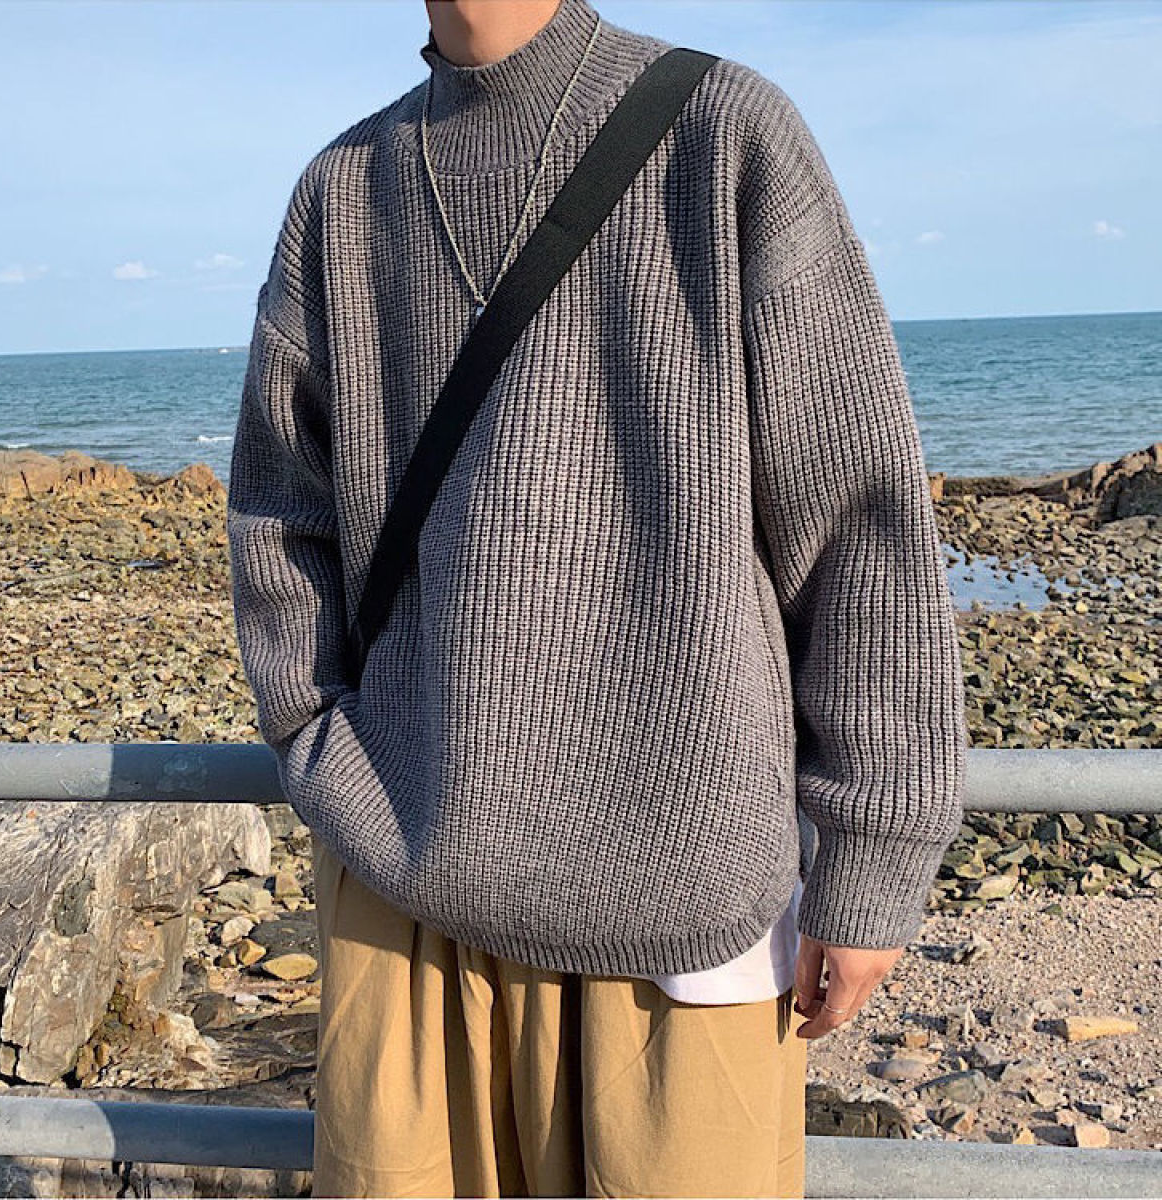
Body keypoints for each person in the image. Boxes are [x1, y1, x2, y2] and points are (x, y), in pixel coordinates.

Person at [226, 0, 969, 1195]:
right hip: (403, 881)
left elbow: (859, 518)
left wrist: (875, 856)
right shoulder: (343, 189)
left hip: (688, 906)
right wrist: (319, 737)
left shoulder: (726, 132)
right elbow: (279, 517)